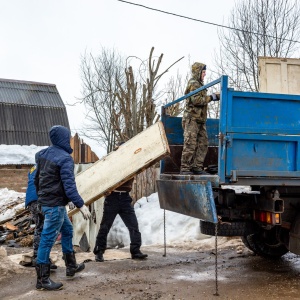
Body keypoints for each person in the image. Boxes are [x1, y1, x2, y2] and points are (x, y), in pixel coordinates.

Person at [34, 125, 91, 291]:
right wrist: (81, 204)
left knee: (67, 230)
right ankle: (42, 280)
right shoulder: (65, 158)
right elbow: (69, 186)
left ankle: (71, 266)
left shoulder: (42, 155)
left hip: (47, 203)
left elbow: (37, 180)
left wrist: (42, 199)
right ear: (63, 139)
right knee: (47, 240)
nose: (69, 140)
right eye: (67, 137)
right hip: (55, 206)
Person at [93, 142, 148, 262]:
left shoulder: (131, 162)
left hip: (124, 198)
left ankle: (135, 251)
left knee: (133, 225)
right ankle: (99, 252)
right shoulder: (112, 162)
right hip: (112, 198)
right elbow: (103, 176)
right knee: (105, 226)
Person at [180, 62, 220, 175]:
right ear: (198, 72)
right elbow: (196, 100)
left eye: (205, 72)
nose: (204, 74)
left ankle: (197, 167)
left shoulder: (200, 84)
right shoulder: (194, 83)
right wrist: (211, 97)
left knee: (203, 143)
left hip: (200, 120)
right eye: (203, 72)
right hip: (191, 119)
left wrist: (212, 97)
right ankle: (185, 168)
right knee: (190, 144)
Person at [25, 165, 57, 269]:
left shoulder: (33, 168)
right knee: (47, 229)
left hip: (31, 200)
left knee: (39, 228)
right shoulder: (46, 166)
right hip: (42, 199)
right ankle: (44, 260)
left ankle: (36, 257)